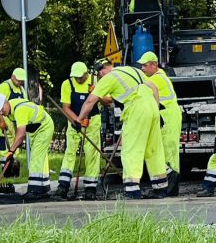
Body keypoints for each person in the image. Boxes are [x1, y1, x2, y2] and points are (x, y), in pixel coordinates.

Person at [75, 60, 168, 199]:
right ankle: (160, 188)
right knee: (154, 149)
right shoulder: (131, 70)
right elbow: (153, 88)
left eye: (100, 72)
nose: (100, 75)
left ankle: (132, 191)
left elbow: (90, 101)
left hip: (136, 109)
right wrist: (156, 110)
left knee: (131, 149)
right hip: (152, 107)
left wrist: (79, 119)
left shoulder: (108, 78)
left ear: (103, 70)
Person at [0, 93, 54, 197]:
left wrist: (11, 151)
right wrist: (14, 147)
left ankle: (34, 190)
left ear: (5, 102)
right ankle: (43, 189)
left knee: (35, 158)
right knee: (38, 158)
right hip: (35, 130)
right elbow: (18, 131)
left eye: (1, 109)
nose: (1, 113)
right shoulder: (9, 110)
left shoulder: (19, 110)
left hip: (44, 128)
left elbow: (21, 133)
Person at [55, 62, 101, 200]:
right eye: (75, 77)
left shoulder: (96, 81)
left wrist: (97, 93)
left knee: (91, 153)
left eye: (80, 77)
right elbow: (66, 107)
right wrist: (78, 121)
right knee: (70, 151)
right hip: (74, 120)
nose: (78, 80)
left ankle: (90, 188)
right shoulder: (67, 84)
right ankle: (63, 186)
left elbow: (108, 101)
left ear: (86, 74)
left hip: (93, 121)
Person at [138, 51, 182, 195]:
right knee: (168, 151)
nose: (142, 69)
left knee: (167, 151)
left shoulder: (156, 79)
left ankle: (170, 184)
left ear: (154, 65)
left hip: (167, 117)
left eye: (145, 65)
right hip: (167, 115)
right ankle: (170, 186)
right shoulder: (160, 76)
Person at [0, 67, 28, 175]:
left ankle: (13, 168)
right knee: (3, 145)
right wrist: (1, 120)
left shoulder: (21, 90)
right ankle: (6, 171)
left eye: (21, 80)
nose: (20, 82)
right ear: (12, 77)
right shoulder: (4, 87)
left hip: (14, 123)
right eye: (18, 80)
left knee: (14, 144)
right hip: (1, 121)